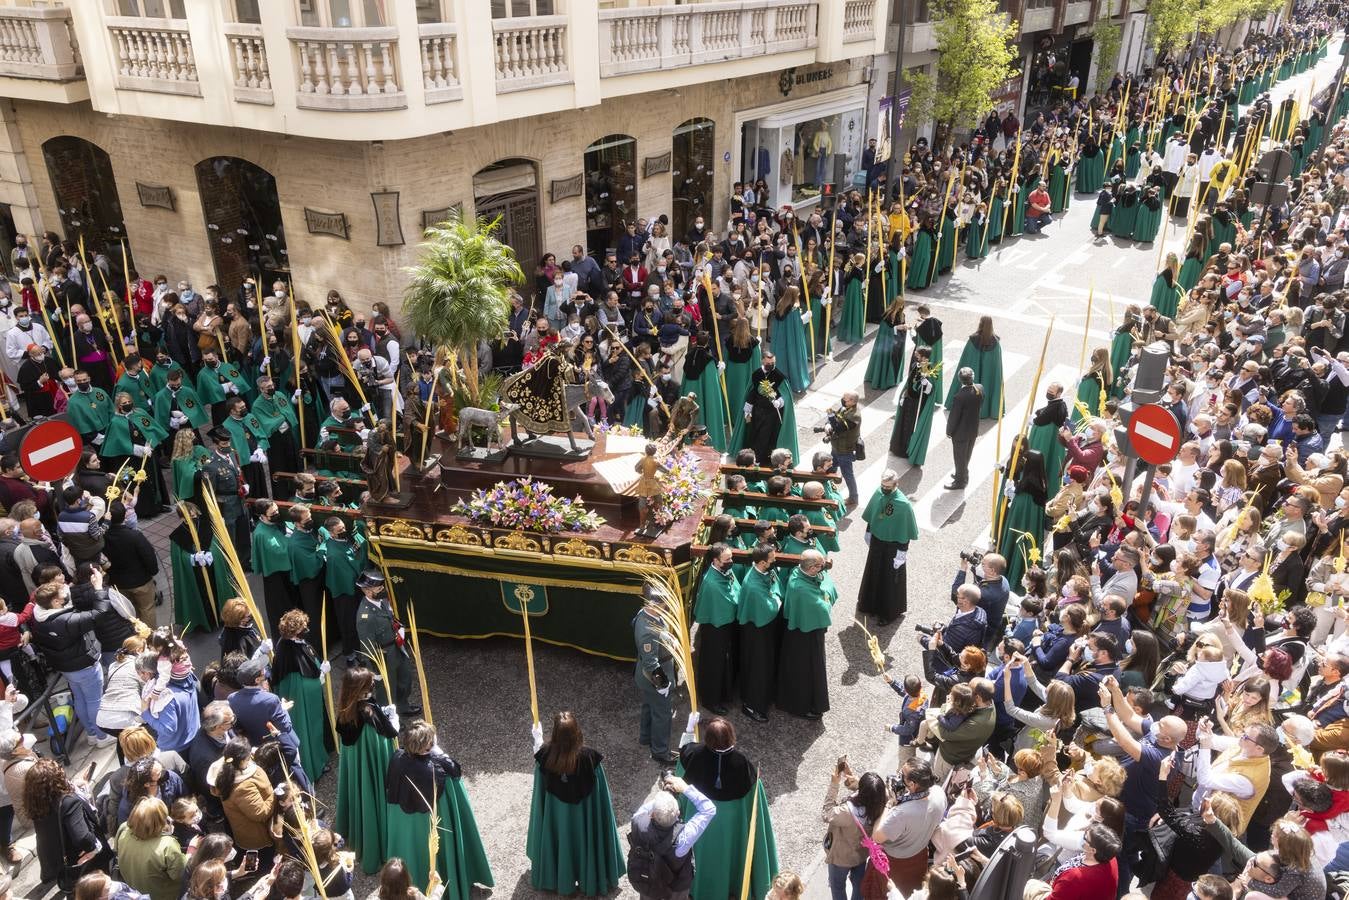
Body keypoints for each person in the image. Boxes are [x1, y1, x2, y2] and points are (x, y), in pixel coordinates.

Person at [384, 719, 493, 895]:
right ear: (426, 745)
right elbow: (454, 772)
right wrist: (440, 755)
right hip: (428, 822)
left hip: (405, 823)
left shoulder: (396, 758)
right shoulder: (436, 768)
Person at [525, 711, 625, 896]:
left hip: (557, 820)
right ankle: (591, 879)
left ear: (554, 734)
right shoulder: (590, 759)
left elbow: (540, 794)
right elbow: (600, 798)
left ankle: (559, 878)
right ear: (577, 733)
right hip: (584, 819)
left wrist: (538, 744)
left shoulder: (545, 758)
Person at [677, 716, 776, 900]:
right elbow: (755, 804)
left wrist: (690, 730)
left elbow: (679, 776)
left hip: (700, 826)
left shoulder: (694, 755)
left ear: (708, 738)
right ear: (731, 736)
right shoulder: (743, 764)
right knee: (730, 858)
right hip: (732, 828)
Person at [28, 575, 117, 748]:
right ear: (55, 602)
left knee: (80, 699)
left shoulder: (39, 615)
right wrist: (98, 587)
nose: (66, 595)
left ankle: (92, 734)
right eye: (62, 595)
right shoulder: (64, 621)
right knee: (94, 701)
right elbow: (99, 614)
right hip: (84, 665)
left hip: (67, 667)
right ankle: (102, 736)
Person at [335, 666, 397, 875]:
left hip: (356, 764)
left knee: (361, 793)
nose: (373, 685)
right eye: (370, 683)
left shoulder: (345, 709)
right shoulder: (367, 713)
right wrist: (392, 722)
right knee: (373, 793)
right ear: (362, 687)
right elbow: (385, 740)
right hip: (371, 767)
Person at [627, 773, 716, 900]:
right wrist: (685, 788)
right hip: (676, 886)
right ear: (678, 813)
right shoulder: (683, 838)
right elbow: (709, 809)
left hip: (647, 878)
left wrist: (665, 795)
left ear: (652, 815)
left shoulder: (637, 822)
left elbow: (647, 809)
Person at [272, 609, 334, 781]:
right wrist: (321, 673)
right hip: (304, 701)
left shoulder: (284, 646)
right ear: (297, 631)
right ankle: (315, 766)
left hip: (296, 697)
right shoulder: (293, 650)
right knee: (309, 730)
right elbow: (306, 683)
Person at [778, 549, 838, 719]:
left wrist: (824, 590)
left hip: (806, 627)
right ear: (812, 568)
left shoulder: (800, 571)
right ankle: (802, 705)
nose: (822, 569)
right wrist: (825, 593)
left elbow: (826, 583)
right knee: (805, 670)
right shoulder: (801, 589)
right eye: (820, 566)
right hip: (805, 634)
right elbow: (824, 607)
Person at [857, 470, 919, 626]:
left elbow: (905, 531)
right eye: (882, 485)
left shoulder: (903, 505)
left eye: (888, 486)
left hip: (893, 547)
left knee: (889, 581)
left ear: (896, 485)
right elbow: (873, 515)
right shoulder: (879, 493)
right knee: (873, 573)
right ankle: (868, 604)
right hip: (877, 542)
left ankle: (888, 613)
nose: (884, 488)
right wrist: (869, 531)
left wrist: (902, 553)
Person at [355, 568, 416, 716]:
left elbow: (389, 618)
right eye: (379, 588)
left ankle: (402, 706)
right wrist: (374, 672)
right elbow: (367, 647)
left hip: (396, 647)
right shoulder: (365, 617)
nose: (383, 590)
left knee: (405, 679)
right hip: (383, 656)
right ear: (368, 591)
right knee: (387, 690)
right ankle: (390, 717)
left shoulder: (381, 599)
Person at [821, 763, 887, 900]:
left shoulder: (846, 813)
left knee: (838, 887)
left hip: (840, 858)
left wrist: (834, 784)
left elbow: (827, 813)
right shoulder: (880, 804)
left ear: (862, 792)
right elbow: (870, 794)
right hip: (861, 855)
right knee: (859, 886)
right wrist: (853, 777)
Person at [736, 543, 781, 723]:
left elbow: (774, 587)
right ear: (762, 562)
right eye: (772, 559)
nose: (775, 560)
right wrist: (776, 600)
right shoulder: (753, 585)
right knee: (757, 667)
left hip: (762, 628)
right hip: (757, 630)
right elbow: (769, 607)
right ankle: (752, 705)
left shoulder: (763, 572)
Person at [693, 543, 739, 715]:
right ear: (715, 560)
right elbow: (729, 602)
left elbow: (735, 589)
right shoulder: (711, 583)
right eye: (727, 559)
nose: (730, 562)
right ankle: (711, 700)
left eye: (731, 558)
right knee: (713, 664)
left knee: (724, 661)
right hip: (715, 627)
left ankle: (724, 693)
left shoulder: (725, 571)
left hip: (724, 625)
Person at [633, 592, 677, 763]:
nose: (666, 607)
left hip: (646, 678)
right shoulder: (647, 631)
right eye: (663, 605)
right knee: (662, 714)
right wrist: (662, 683)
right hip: (654, 678)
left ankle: (645, 737)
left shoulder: (646, 614)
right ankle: (660, 751)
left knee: (648, 706)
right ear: (655, 604)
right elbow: (651, 663)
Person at [116, 797, 187, 900]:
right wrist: (189, 854)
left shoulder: (123, 828)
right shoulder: (167, 845)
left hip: (134, 892)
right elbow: (180, 875)